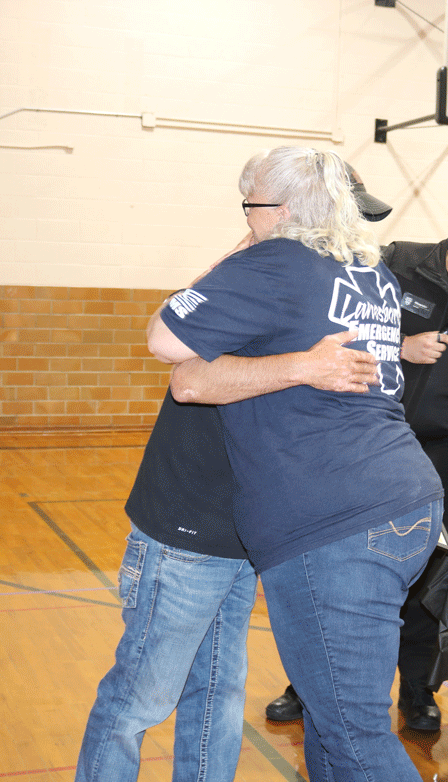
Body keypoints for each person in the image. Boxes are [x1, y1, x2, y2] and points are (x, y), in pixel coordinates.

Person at [74, 163, 391, 782]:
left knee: (218, 694)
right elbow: (177, 360)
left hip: (250, 531)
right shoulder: (264, 270)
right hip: (187, 524)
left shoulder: (332, 280)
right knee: (141, 695)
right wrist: (248, 260)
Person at [147, 146, 444, 782]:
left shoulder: (276, 261)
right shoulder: (372, 274)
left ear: (279, 209)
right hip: (403, 501)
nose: (244, 220)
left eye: (249, 206)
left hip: (335, 524)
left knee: (356, 735)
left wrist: (243, 255)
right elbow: (195, 378)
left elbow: (166, 339)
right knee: (331, 726)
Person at [267, 213, 448, 730]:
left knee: (433, 589)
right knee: (342, 581)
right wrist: (400, 347)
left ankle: (418, 690)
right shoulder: (390, 268)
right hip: (367, 458)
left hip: (447, 473)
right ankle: (308, 689)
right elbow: (324, 340)